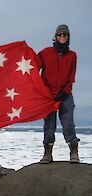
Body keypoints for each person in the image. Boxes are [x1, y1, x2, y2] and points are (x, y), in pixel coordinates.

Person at [38, 24, 80, 164]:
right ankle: (47, 153)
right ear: (55, 37)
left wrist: (65, 92)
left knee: (68, 124)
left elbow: (71, 78)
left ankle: (74, 151)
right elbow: (32, 65)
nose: (62, 36)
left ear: (68, 37)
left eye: (65, 34)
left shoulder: (72, 55)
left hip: (64, 95)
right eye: (59, 34)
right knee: (49, 125)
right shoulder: (45, 53)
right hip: (48, 96)